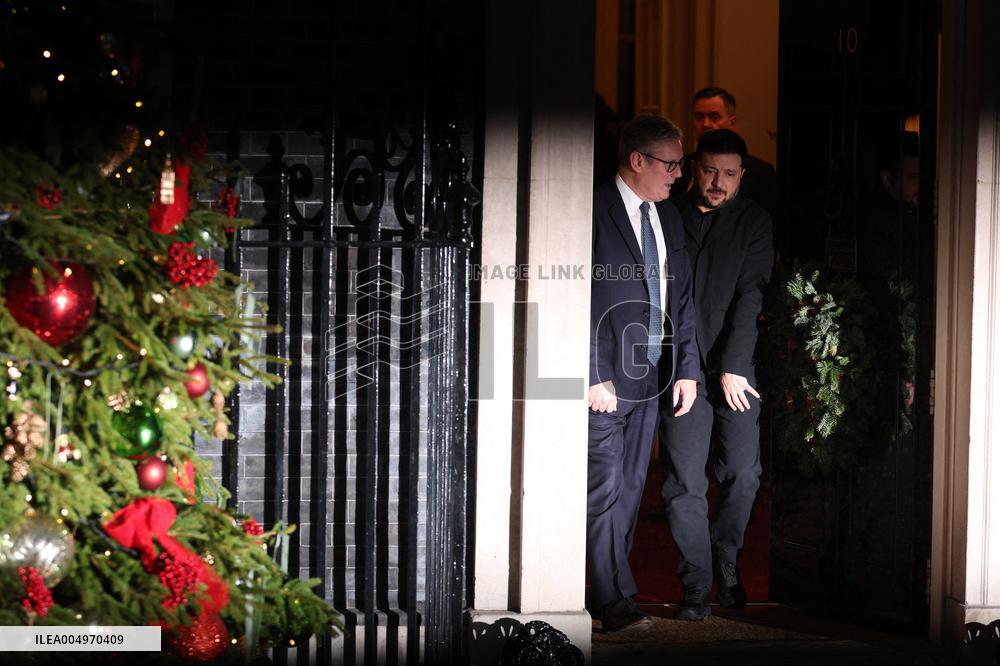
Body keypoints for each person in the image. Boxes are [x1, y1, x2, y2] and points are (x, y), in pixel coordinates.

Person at [588, 115, 700, 632]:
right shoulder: (592, 209)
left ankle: (606, 591)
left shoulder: (669, 217)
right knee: (604, 487)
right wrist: (592, 374)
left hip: (653, 376)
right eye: (672, 164)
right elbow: (577, 299)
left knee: (632, 487)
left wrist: (687, 370)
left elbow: (683, 299)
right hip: (606, 379)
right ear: (638, 160)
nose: (679, 174)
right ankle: (613, 601)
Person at [659, 129, 773, 621]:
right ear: (691, 167)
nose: (717, 182)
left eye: (729, 174)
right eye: (709, 171)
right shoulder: (666, 214)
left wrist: (732, 365)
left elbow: (752, 296)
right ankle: (694, 586)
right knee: (683, 482)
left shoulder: (753, 221)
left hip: (734, 368)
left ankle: (726, 561)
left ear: (742, 176)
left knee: (743, 473)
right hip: (679, 367)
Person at [669, 87, 777, 220]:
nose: (706, 124)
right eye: (699, 117)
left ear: (732, 122)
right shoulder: (678, 166)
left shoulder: (760, 172)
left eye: (714, 117)